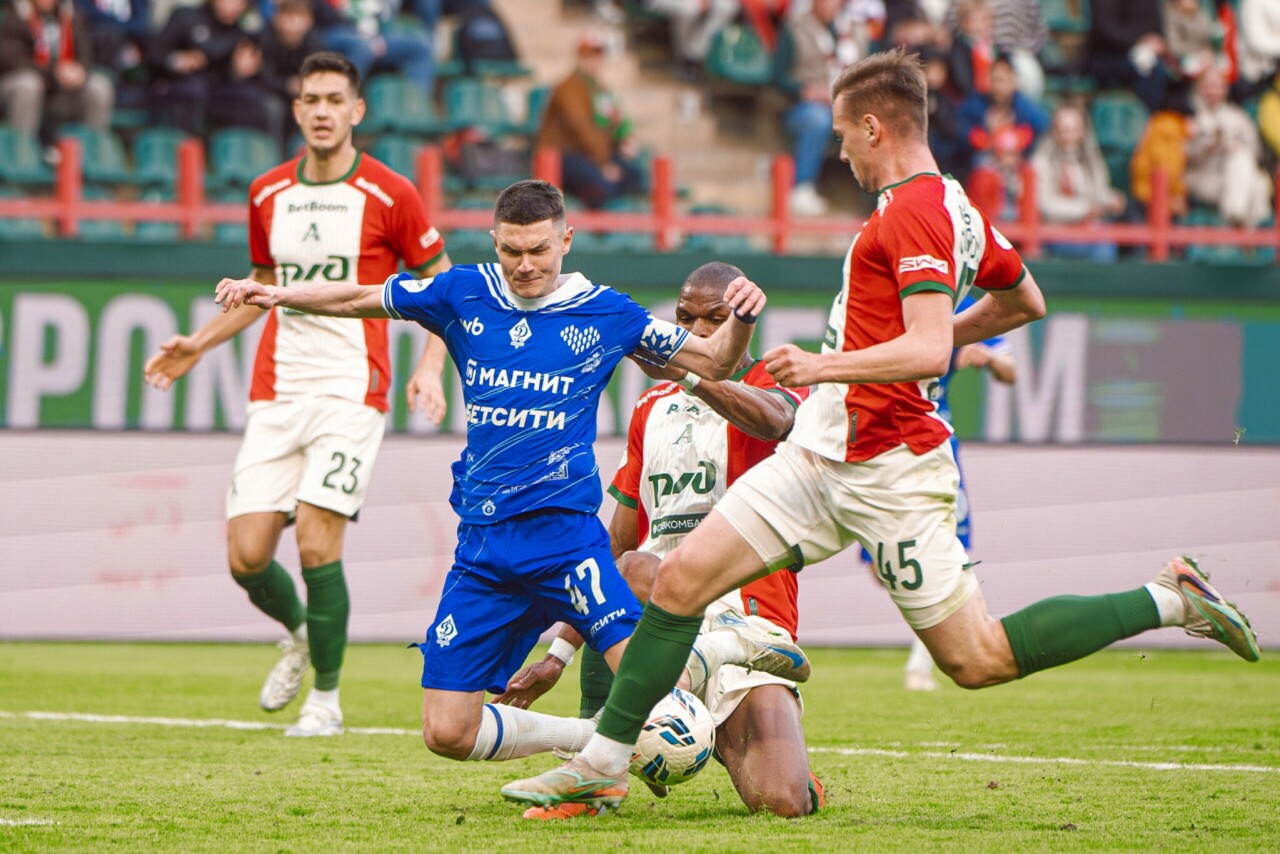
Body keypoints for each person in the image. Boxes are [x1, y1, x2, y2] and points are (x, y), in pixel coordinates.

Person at [502, 48, 1261, 813]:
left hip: (891, 464)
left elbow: (928, 349)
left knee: (978, 659)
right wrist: (912, 348)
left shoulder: (914, 212)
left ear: (874, 127)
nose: (839, 152)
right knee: (676, 579)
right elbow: (1023, 300)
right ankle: (605, 761)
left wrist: (823, 365)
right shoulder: (957, 208)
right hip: (823, 453)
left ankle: (1169, 599)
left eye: (842, 135)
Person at [212, 179, 810, 768]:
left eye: (539, 250)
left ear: (565, 241)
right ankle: (585, 737)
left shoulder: (608, 312)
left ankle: (724, 651)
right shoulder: (463, 292)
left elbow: (714, 362)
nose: (525, 265)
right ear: (494, 241)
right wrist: (277, 294)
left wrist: (742, 320)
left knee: (658, 686)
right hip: (484, 549)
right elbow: (357, 298)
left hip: (565, 541)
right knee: (447, 731)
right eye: (512, 251)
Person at [143, 52, 453, 738]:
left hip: (352, 391)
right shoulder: (267, 193)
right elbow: (262, 288)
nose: (322, 111)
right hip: (277, 391)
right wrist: (199, 343)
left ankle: (327, 702)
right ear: (295, 109)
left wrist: (431, 366)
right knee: (246, 556)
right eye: (311, 99)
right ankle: (302, 633)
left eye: (334, 99)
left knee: (316, 542)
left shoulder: (390, 193)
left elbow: (442, 285)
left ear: (356, 111)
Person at [497, 262, 821, 819]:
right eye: (685, 319)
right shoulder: (650, 409)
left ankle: (709, 726)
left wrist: (693, 373)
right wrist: (557, 654)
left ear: (741, 323)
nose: (698, 331)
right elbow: (613, 547)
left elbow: (774, 423)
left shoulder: (776, 379)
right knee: (633, 569)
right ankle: (597, 768)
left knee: (783, 803)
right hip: (661, 604)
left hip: (750, 616)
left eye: (716, 318)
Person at [900, 291, 1014, 692]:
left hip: (935, 443)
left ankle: (922, 662)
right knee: (892, 564)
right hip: (884, 442)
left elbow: (1010, 369)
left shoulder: (965, 305)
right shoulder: (889, 297)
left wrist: (989, 357)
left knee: (949, 548)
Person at [535, 32, 645, 210]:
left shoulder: (600, 89)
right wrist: (604, 164)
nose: (594, 61)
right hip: (565, 155)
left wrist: (625, 139)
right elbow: (582, 130)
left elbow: (617, 121)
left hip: (590, 155)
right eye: (588, 56)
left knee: (635, 176)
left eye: (597, 56)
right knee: (602, 186)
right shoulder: (568, 88)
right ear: (580, 59)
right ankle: (589, 218)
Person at [783, 0, 867, 217]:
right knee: (817, 119)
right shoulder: (794, 28)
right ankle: (801, 188)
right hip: (804, 107)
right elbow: (777, 78)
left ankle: (874, 197)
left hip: (849, 106)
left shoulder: (853, 28)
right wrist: (804, 90)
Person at [0, 0, 115, 140]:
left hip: (65, 82)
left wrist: (80, 70)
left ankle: (92, 146)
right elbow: (12, 60)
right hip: (21, 80)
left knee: (99, 87)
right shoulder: (14, 14)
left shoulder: (72, 14)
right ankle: (21, 146)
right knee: (28, 84)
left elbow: (85, 54)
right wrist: (54, 71)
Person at [1030, 102, 1125, 263]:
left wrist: (1111, 199)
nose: (1069, 136)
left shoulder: (1091, 158)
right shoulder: (1041, 160)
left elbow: (1098, 192)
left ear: (1083, 131)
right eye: (1064, 129)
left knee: (1107, 245)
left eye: (1074, 130)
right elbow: (1044, 204)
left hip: (1089, 229)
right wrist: (1084, 209)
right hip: (1055, 231)